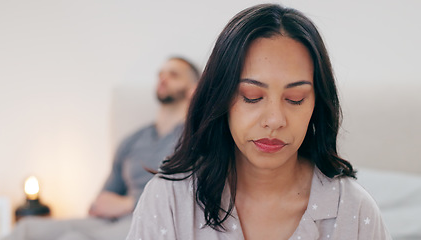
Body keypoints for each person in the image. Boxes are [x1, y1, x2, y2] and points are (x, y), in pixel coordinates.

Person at [126, 4, 391, 240]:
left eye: (295, 99)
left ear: (316, 105)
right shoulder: (168, 201)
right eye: (251, 97)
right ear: (221, 97)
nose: (274, 120)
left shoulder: (353, 210)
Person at [2, 56, 199, 240]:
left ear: (194, 89)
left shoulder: (197, 138)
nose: (163, 79)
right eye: (161, 74)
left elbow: (191, 195)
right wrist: (103, 204)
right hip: (108, 222)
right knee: (26, 228)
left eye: (173, 75)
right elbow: (103, 198)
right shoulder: (132, 140)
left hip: (149, 221)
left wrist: (127, 204)